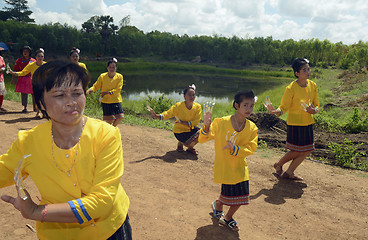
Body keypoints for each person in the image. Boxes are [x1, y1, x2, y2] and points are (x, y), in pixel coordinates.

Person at [0, 61, 132, 240]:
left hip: (108, 230)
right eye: (60, 95)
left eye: (77, 93)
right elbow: (5, 170)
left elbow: (102, 201)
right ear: (41, 103)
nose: (71, 102)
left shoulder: (106, 135)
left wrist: (37, 212)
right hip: (58, 234)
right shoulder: (29, 142)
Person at [199, 90, 258, 231]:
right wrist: (206, 126)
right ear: (236, 105)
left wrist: (235, 149)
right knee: (228, 196)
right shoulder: (221, 123)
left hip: (240, 167)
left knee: (242, 198)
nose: (249, 109)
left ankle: (228, 217)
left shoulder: (252, 128)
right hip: (225, 166)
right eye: (245, 105)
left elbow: (251, 147)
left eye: (251, 105)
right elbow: (202, 139)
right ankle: (219, 205)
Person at [264, 58, 319, 180]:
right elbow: (283, 107)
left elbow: (316, 104)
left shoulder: (313, 85)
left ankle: (289, 172)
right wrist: (275, 111)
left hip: (308, 123)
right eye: (304, 70)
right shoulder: (291, 88)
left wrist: (314, 110)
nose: (308, 71)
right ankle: (279, 165)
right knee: (297, 151)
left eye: (308, 68)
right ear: (297, 73)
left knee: (308, 150)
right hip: (295, 124)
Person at [148, 85, 202, 155]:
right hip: (179, 131)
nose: (192, 97)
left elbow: (196, 121)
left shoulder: (198, 107)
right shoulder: (178, 106)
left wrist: (184, 123)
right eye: (189, 95)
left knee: (202, 133)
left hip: (189, 129)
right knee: (188, 141)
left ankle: (189, 147)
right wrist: (156, 115)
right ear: (184, 96)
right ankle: (182, 142)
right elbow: (168, 114)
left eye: (193, 95)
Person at [8, 48, 46, 118]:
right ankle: (38, 112)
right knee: (38, 98)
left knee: (44, 99)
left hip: (44, 84)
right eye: (38, 56)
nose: (40, 58)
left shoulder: (46, 65)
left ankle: (43, 112)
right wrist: (13, 73)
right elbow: (23, 72)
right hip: (36, 84)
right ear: (36, 57)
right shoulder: (31, 65)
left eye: (42, 56)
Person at [86, 58, 124, 127]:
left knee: (120, 117)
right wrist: (88, 91)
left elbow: (118, 89)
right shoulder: (102, 76)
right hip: (106, 101)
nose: (112, 69)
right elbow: (96, 86)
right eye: (110, 67)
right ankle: (106, 132)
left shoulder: (119, 77)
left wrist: (107, 93)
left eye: (113, 67)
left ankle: (112, 129)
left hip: (116, 100)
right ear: (107, 67)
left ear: (116, 68)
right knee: (109, 120)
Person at [10, 46, 36, 113]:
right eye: (24, 51)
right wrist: (13, 79)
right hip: (22, 78)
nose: (25, 52)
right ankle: (25, 107)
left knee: (34, 93)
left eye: (26, 51)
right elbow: (15, 70)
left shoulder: (33, 61)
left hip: (31, 78)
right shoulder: (19, 60)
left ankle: (35, 107)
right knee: (24, 93)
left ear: (29, 52)